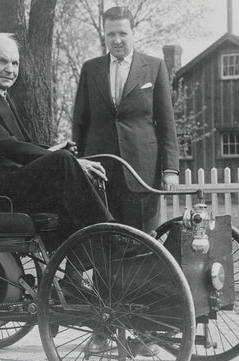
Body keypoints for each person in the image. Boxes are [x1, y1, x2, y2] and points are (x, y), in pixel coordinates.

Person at [0, 33, 113, 243]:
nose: (10, 70)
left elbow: (20, 145)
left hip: (11, 183)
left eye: (15, 63)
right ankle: (111, 236)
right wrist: (68, 161)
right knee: (65, 161)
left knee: (83, 176)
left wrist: (55, 149)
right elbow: (7, 146)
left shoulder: (2, 95)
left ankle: (81, 266)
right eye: (2, 61)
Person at [73, 6, 179, 234]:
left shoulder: (154, 67)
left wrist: (171, 169)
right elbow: (79, 123)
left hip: (141, 169)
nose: (117, 40)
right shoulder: (90, 69)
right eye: (111, 34)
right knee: (101, 239)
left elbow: (167, 123)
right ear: (105, 35)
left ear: (133, 33)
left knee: (142, 239)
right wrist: (79, 164)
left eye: (122, 33)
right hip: (99, 169)